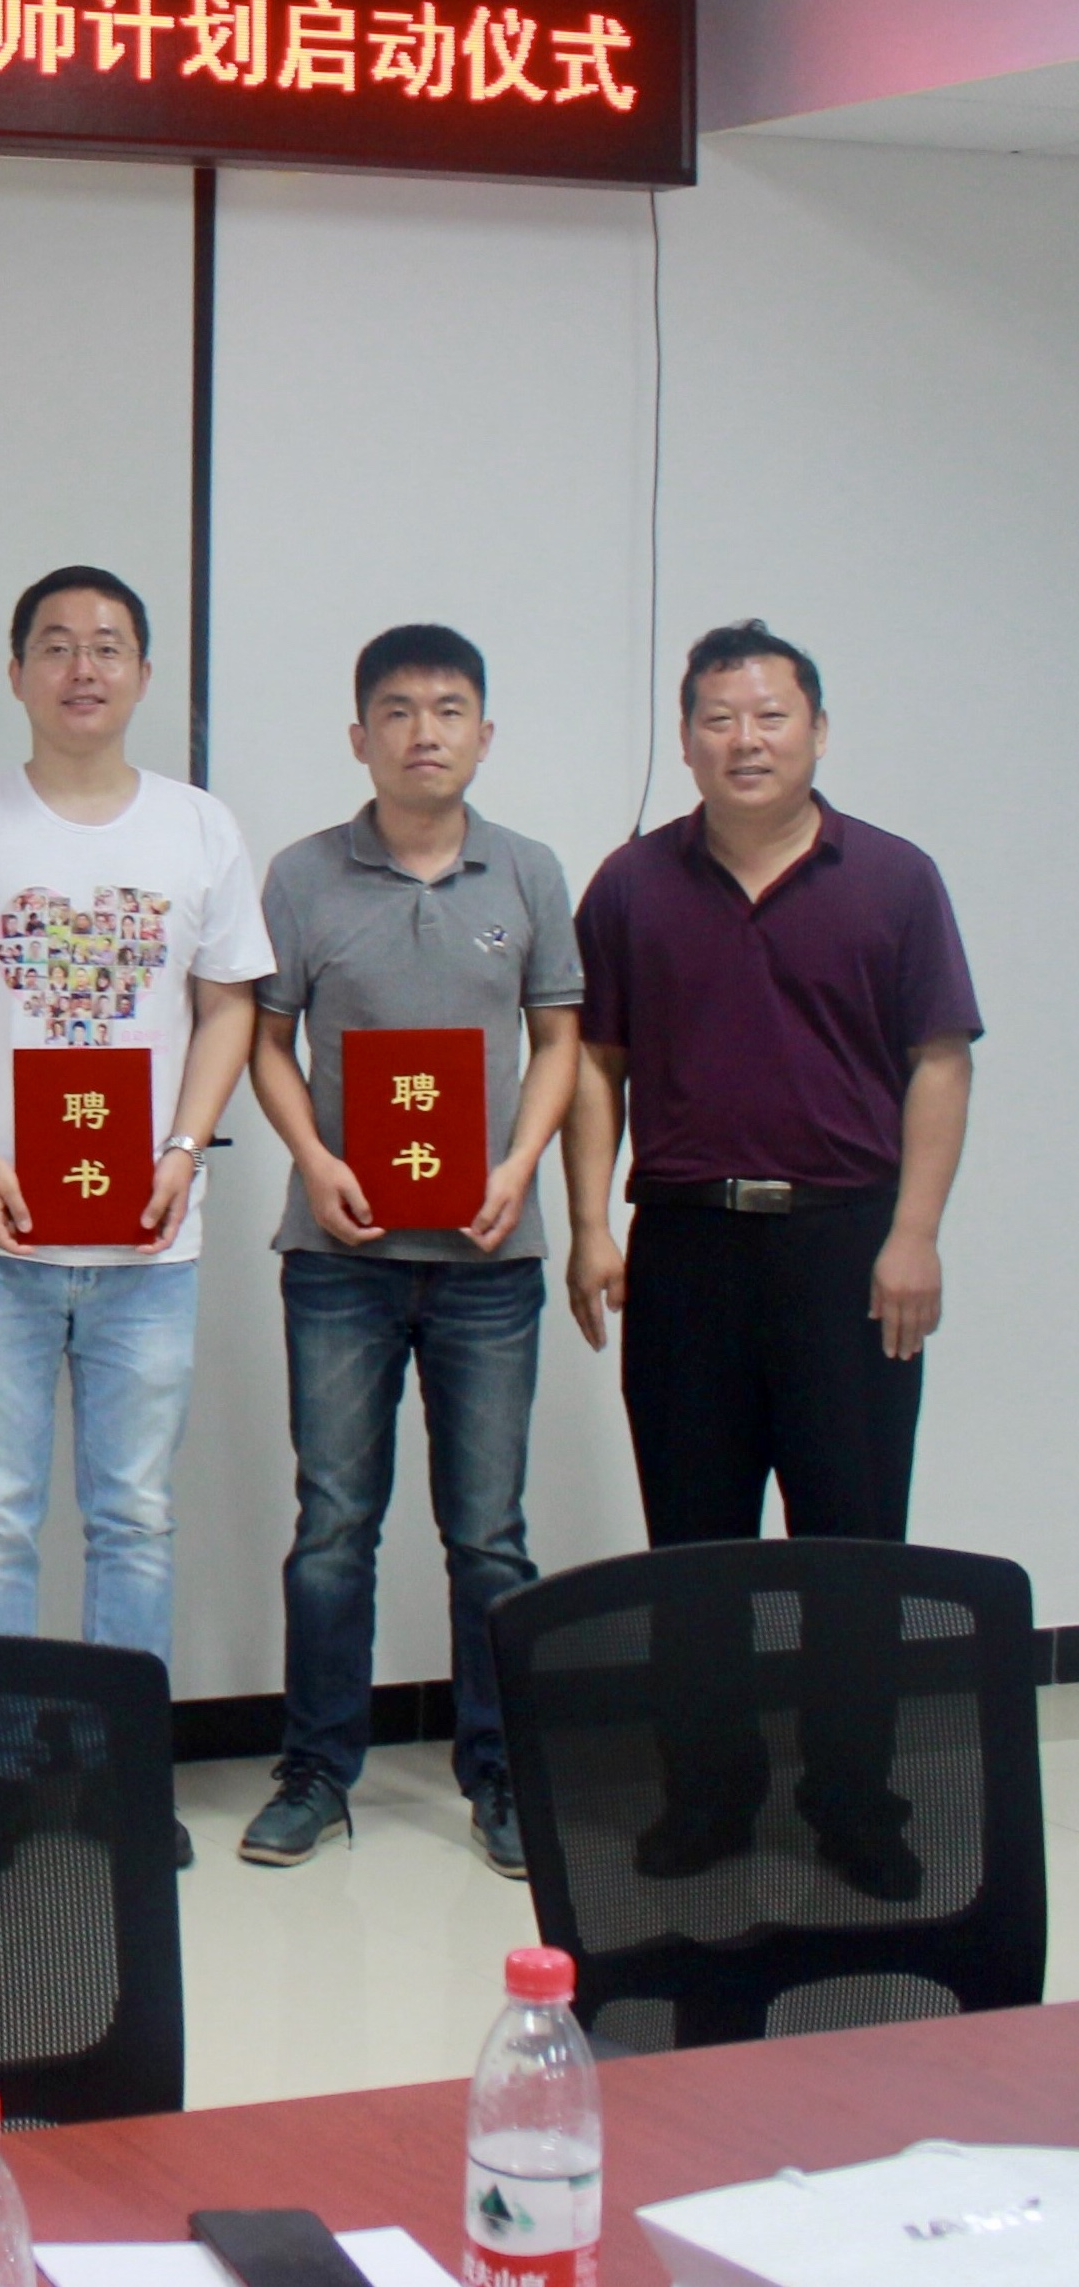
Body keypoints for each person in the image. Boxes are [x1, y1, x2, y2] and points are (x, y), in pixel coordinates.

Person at [563, 619, 978, 1899]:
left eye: (770, 715)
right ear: (687, 739)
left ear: (817, 731)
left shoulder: (895, 879)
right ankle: (708, 1795)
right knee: (695, 1545)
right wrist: (593, 1224)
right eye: (718, 718)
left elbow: (939, 1063)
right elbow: (594, 1066)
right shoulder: (631, 885)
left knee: (855, 1542)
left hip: (849, 1247)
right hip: (686, 1246)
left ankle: (855, 1801)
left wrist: (914, 1234)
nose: (745, 740)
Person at [0, 565, 269, 1873]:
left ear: (144, 675)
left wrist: (183, 1147)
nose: (82, 667)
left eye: (108, 645)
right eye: (55, 645)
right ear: (17, 674)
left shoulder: (197, 828)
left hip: (150, 1241)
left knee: (134, 1517)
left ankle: (125, 1777)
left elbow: (230, 1002)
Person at [236, 626, 580, 1880]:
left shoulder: (529, 872)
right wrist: (313, 1159)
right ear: (359, 736)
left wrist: (518, 1165)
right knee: (334, 1523)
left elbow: (560, 1040)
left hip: (490, 1257)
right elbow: (266, 1039)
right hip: (342, 1255)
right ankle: (317, 1773)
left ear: (484, 733)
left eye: (447, 709)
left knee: (489, 1534)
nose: (423, 731)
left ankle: (499, 1775)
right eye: (397, 709)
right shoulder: (302, 876)